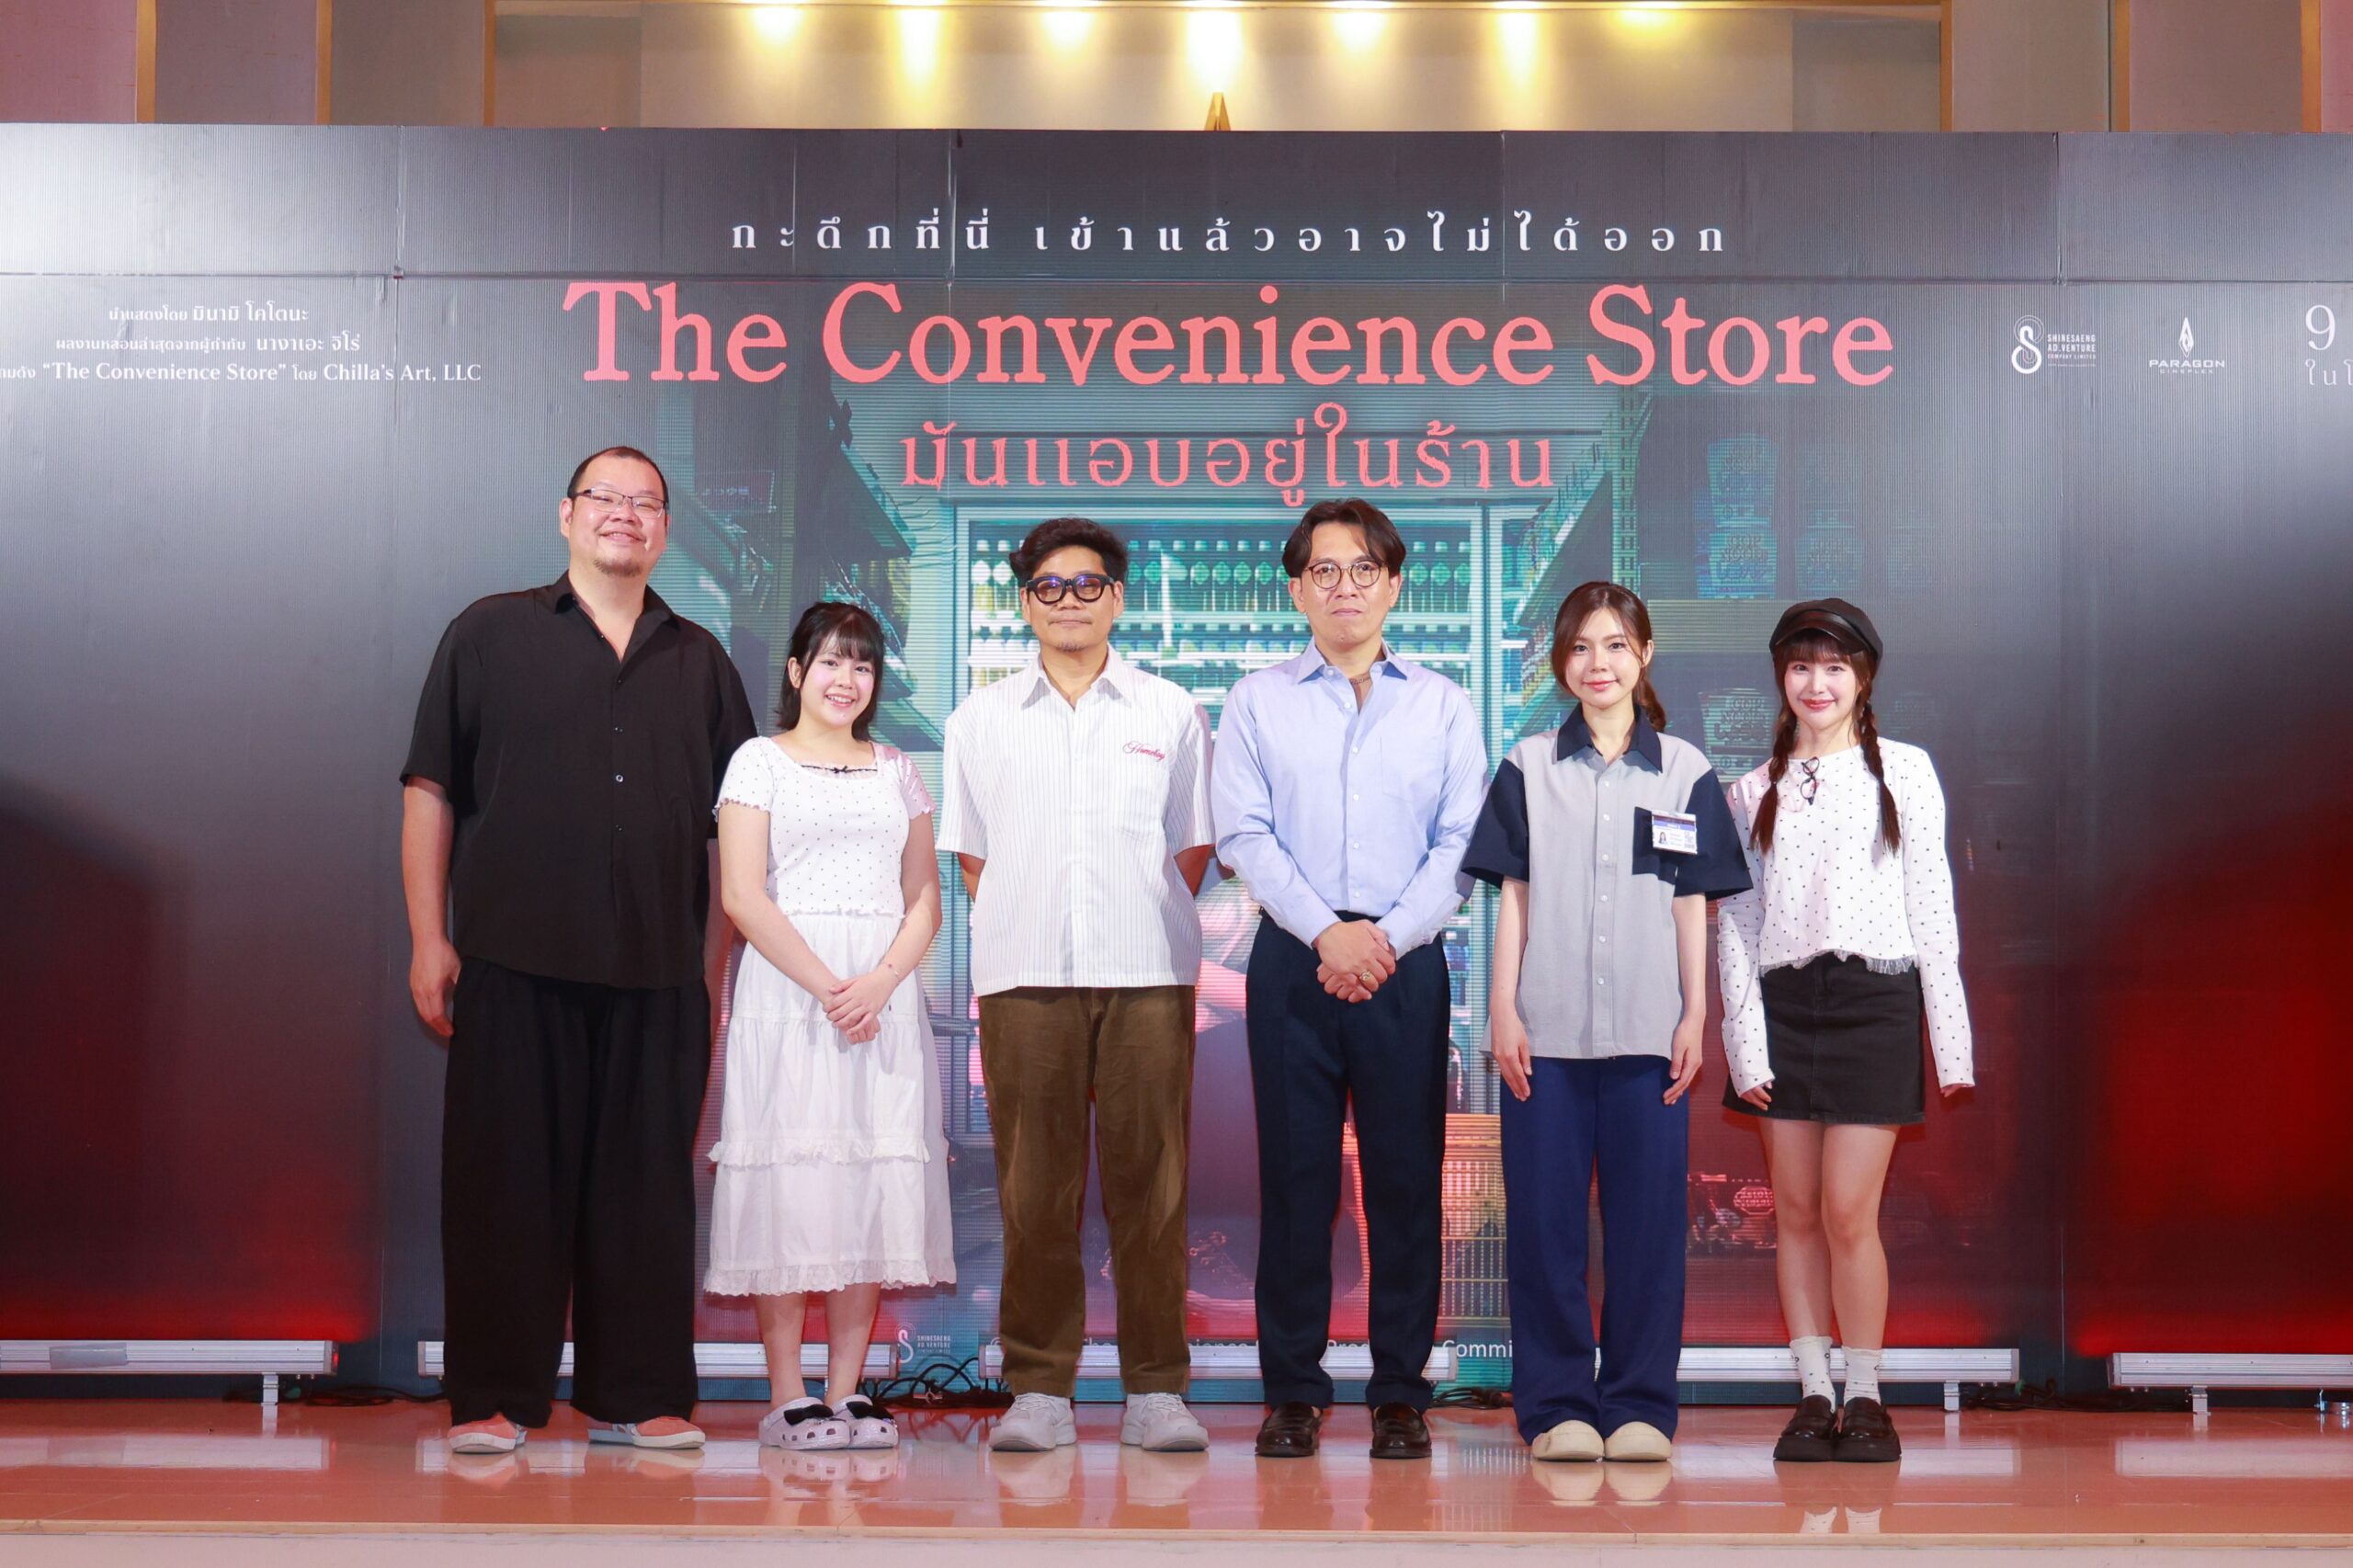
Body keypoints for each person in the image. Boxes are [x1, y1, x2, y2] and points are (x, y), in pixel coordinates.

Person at [401, 446, 756, 1455]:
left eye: (646, 503)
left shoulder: (701, 660)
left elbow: (736, 830)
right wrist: (428, 937)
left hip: (659, 972)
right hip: (511, 959)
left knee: (646, 1191)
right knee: (504, 1182)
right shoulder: (488, 632)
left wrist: (711, 974)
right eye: (605, 497)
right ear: (566, 515)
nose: (624, 514)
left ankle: (639, 1393)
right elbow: (429, 787)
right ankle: (491, 1396)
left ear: (665, 530)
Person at [1211, 497, 1488, 1460]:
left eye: (1364, 569)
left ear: (1393, 584)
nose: (1344, 588)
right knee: (1295, 1182)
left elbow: (1463, 841)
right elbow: (1244, 833)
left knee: (1406, 1180)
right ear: (1297, 589)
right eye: (1323, 571)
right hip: (1295, 958)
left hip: (1406, 964)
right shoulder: (1256, 700)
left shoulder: (1442, 703)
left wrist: (1385, 938)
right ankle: (1292, 1388)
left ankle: (1400, 1391)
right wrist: (1329, 933)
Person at [936, 517, 1217, 1455]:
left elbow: (1192, 847)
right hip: (1023, 978)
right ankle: (1040, 1387)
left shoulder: (1169, 711)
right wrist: (1032, 916)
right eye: (1049, 586)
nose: (1069, 601)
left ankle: (1156, 1388)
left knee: (1153, 1187)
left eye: (1087, 584)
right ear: (1025, 602)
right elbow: (974, 856)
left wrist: (1134, 914)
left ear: (1117, 598)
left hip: (1146, 974)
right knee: (1032, 1189)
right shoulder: (979, 720)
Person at [1463, 582, 1749, 1466]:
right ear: (1562, 663)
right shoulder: (1527, 767)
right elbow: (1513, 895)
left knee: (1648, 1229)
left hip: (1649, 1036)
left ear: (1644, 655)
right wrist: (1502, 1007)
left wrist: (1695, 1014)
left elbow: (1692, 902)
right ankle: (1556, 1407)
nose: (1599, 664)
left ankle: (1638, 1406)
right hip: (1544, 1037)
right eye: (1582, 647)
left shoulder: (1685, 772)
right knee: (1544, 1228)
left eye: (1617, 645)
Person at [1715, 598, 1973, 1464]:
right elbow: (1737, 925)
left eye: (1834, 666)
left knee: (1848, 1211)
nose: (1816, 683)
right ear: (1781, 679)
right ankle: (1814, 1393)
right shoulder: (1750, 790)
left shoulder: (1906, 770)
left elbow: (1933, 906)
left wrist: (1953, 1045)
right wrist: (1745, 1046)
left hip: (1876, 1001)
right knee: (1792, 1213)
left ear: (1863, 677)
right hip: (1784, 1006)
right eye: (1800, 666)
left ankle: (1865, 1391)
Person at [705, 600, 954, 1452]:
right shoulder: (758, 762)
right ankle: (788, 1397)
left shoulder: (898, 769)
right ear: (796, 672)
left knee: (869, 1182)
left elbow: (925, 899)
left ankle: (847, 1394)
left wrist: (879, 984)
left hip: (882, 1001)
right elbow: (742, 895)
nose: (847, 679)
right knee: (791, 1181)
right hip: (791, 995)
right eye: (831, 661)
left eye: (863, 664)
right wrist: (829, 989)